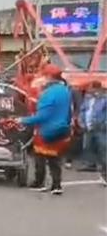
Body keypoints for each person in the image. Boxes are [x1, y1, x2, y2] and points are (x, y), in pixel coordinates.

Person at [20, 64, 74, 194]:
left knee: (40, 157)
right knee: (55, 160)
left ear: (49, 77)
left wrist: (22, 120)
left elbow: (42, 116)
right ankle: (56, 185)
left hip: (47, 131)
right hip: (63, 130)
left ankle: (39, 182)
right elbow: (69, 112)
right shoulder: (65, 91)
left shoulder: (48, 94)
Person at [78, 81, 107, 184]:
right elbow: (83, 110)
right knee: (88, 146)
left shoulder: (104, 100)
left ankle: (104, 168)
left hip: (100, 128)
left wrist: (104, 124)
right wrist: (81, 121)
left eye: (93, 89)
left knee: (103, 148)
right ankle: (90, 164)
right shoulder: (88, 99)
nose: (91, 91)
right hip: (88, 127)